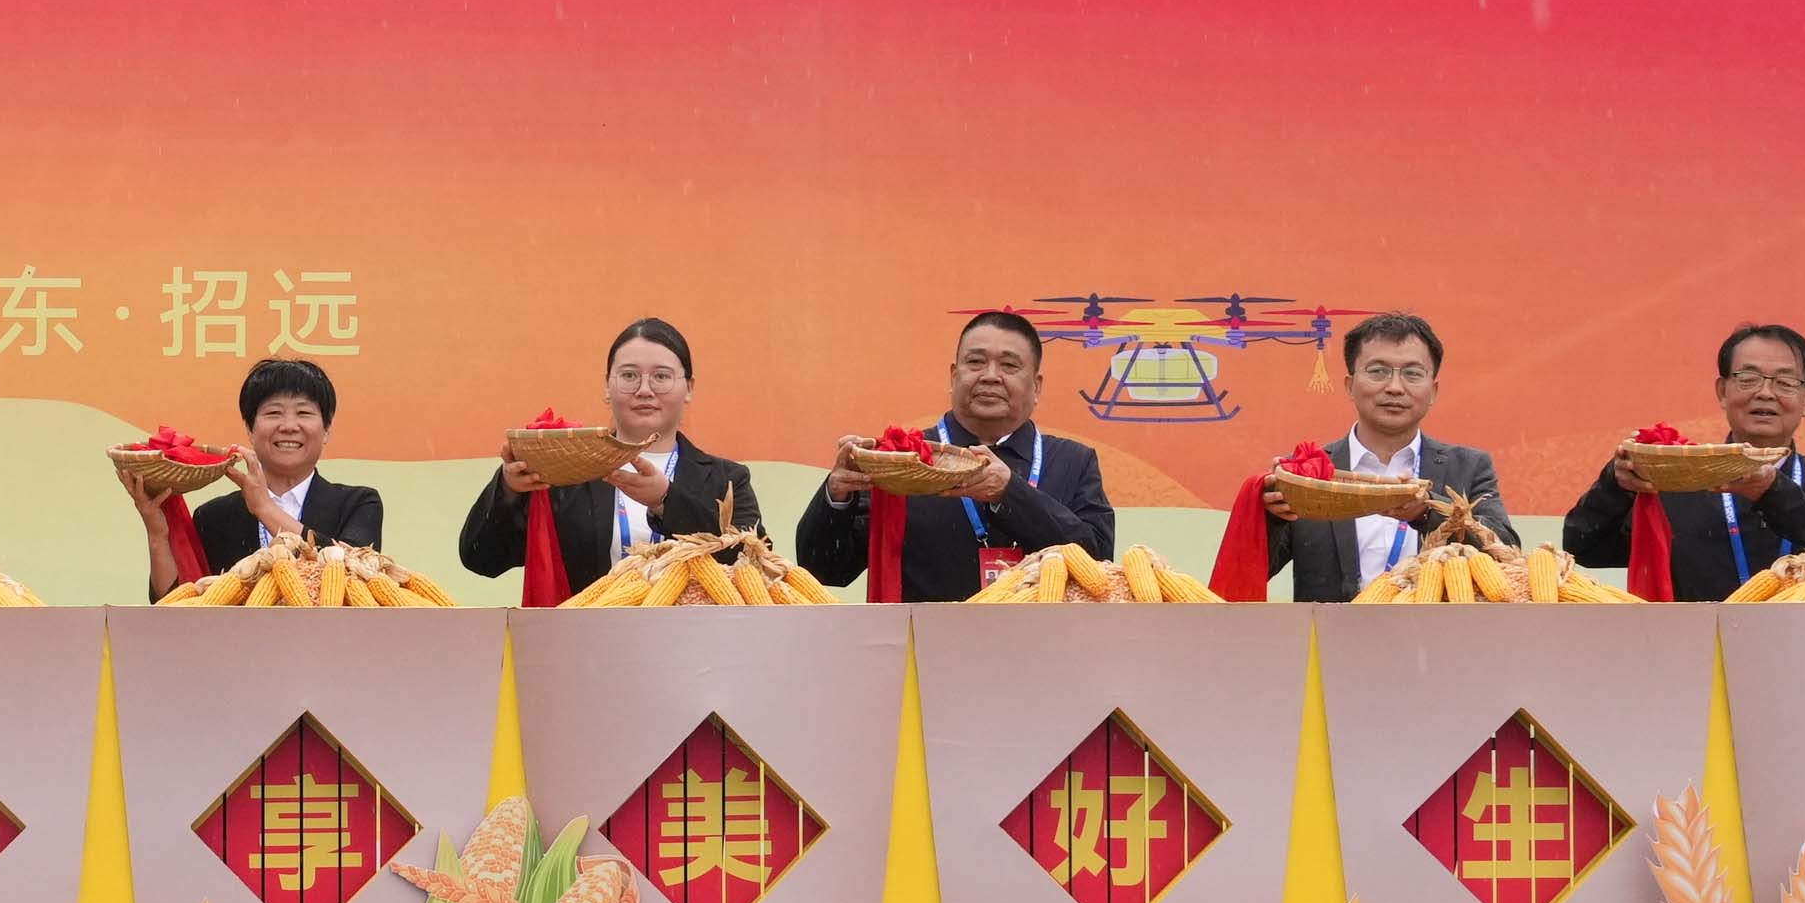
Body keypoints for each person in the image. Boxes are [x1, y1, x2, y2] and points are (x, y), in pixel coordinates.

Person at [793, 309, 1115, 601]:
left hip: (1043, 644)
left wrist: (1011, 494)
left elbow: (1099, 564)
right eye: (975, 362)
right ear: (953, 376)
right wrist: (837, 496)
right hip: (924, 643)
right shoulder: (901, 458)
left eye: (1009, 365)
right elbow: (825, 570)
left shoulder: (1074, 461)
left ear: (1036, 386)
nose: (990, 375)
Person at [1562, 322, 1805, 601]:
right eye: (1748, 378)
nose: (1765, 393)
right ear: (1722, 392)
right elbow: (1585, 549)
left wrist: (1772, 492)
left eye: (1785, 382)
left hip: (1804, 647)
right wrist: (1615, 483)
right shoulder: (1680, 478)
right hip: (1693, 647)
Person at [459, 317, 760, 592]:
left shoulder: (727, 480)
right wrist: (509, 490)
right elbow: (482, 560)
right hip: (585, 634)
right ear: (607, 386)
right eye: (629, 375)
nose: (644, 389)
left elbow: (755, 567)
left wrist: (666, 501)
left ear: (689, 388)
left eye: (661, 376)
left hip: (691, 635)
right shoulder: (570, 471)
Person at [1275, 311, 1513, 602]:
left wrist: (1427, 512)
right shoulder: (1308, 473)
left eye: (1412, 374)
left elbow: (1506, 552)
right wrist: (1268, 516)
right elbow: (1253, 569)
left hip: (1436, 631)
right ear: (1350, 385)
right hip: (1328, 631)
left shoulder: (1468, 467)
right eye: (1378, 371)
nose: (1395, 387)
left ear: (1433, 391)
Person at [136, 356, 385, 593]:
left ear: (326, 429)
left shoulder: (358, 504)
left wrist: (264, 508)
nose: (288, 426)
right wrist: (157, 535)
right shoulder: (214, 516)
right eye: (274, 413)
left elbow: (355, 571)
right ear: (250, 429)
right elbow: (178, 600)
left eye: (303, 413)